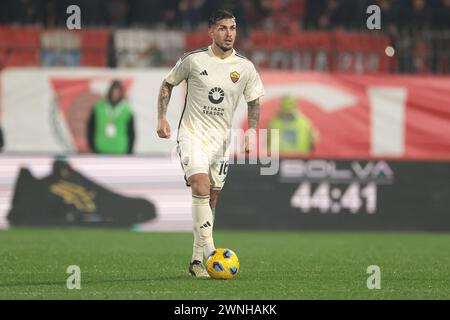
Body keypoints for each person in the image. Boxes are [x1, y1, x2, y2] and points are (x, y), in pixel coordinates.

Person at [156, 9, 264, 278]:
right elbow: (168, 84)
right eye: (223, 28)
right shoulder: (193, 60)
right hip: (192, 135)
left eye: (233, 28)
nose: (229, 34)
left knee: (211, 197)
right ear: (211, 31)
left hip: (221, 141)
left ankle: (195, 260)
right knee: (200, 185)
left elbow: (254, 100)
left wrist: (251, 131)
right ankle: (211, 253)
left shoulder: (245, 67)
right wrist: (162, 118)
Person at [87, 80, 135, 154]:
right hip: (100, 148)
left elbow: (131, 132)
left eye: (117, 92)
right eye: (113, 91)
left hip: (120, 150)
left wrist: (129, 150)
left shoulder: (127, 110)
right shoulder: (98, 107)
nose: (115, 94)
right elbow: (90, 127)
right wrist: (92, 146)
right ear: (109, 92)